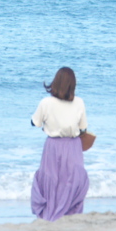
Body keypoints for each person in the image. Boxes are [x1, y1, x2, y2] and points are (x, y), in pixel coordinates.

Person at [30, 67, 90, 221]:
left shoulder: (46, 102)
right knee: (72, 181)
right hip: (73, 145)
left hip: (53, 146)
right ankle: (69, 214)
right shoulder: (79, 102)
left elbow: (35, 122)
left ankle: (51, 214)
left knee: (51, 180)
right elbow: (83, 127)